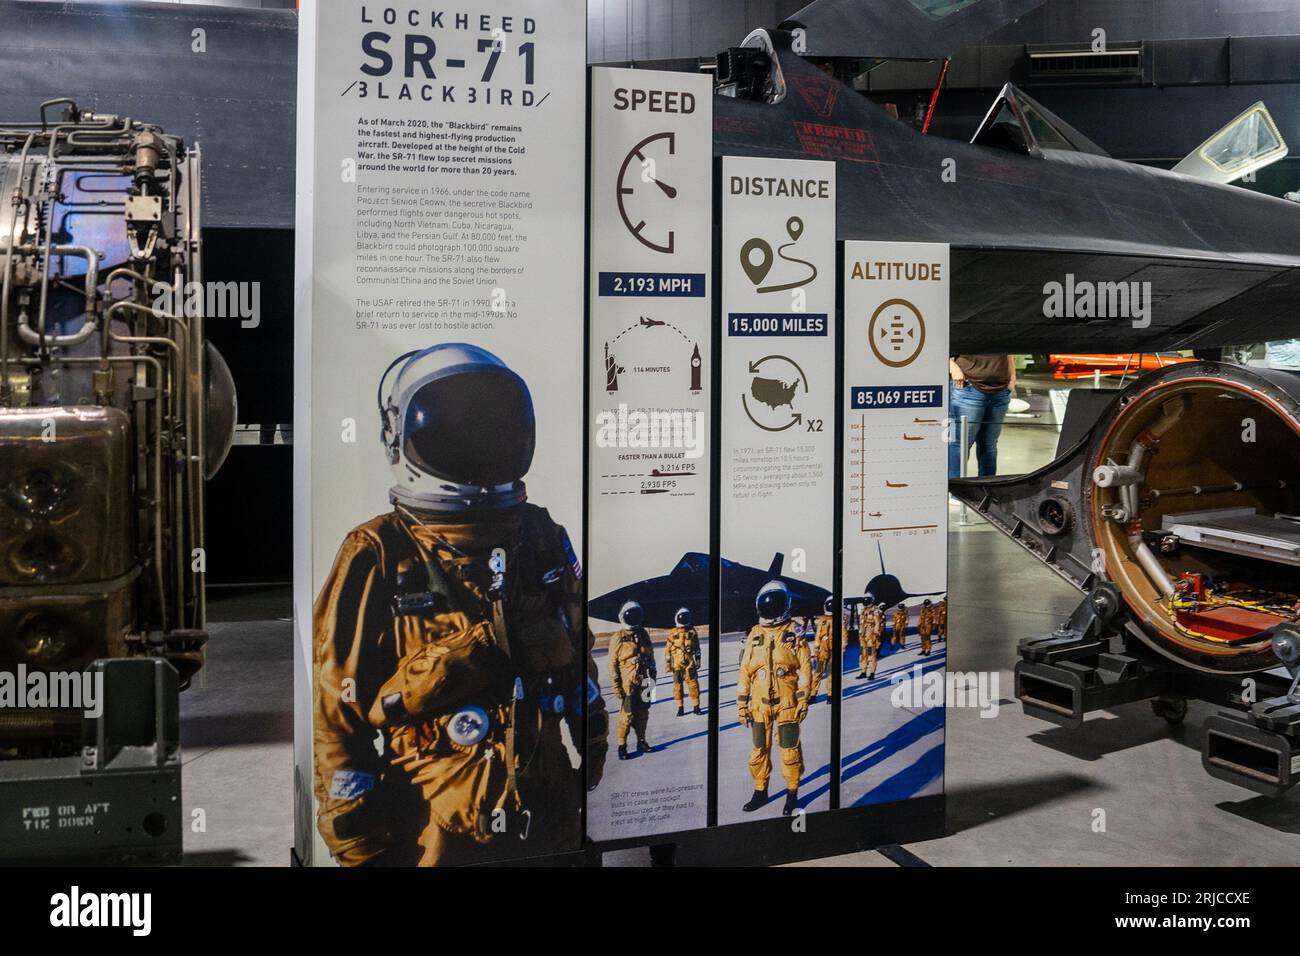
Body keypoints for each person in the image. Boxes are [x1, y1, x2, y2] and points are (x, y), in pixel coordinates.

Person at [312, 344, 607, 867]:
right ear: (397, 435)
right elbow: (339, 716)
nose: (477, 440)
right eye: (456, 427)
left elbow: (576, 641)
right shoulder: (379, 551)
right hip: (437, 830)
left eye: (492, 425)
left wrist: (594, 730)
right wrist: (358, 840)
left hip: (552, 816)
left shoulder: (539, 534)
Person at [737, 581, 810, 816]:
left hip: (787, 701)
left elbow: (806, 670)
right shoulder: (755, 634)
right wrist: (742, 704)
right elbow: (745, 671)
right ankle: (760, 791)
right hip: (759, 704)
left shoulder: (794, 632)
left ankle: (792, 793)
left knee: (790, 749)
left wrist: (803, 699)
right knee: (759, 749)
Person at [949, 354, 1016, 477]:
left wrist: (1012, 377)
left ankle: (987, 488)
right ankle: (955, 489)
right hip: (968, 388)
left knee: (989, 445)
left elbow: (1009, 353)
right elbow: (939, 349)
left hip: (1000, 391)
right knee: (961, 445)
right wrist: (954, 369)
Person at [610, 601, 657, 758]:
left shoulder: (643, 634)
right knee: (627, 716)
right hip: (628, 683)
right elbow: (613, 665)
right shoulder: (618, 637)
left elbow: (651, 657)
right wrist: (617, 687)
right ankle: (622, 746)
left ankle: (641, 741)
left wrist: (653, 678)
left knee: (643, 713)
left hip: (645, 680)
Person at [665, 607, 702, 716]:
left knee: (694, 685)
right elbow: (667, 651)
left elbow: (697, 648)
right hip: (677, 665)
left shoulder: (692, 632)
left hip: (690, 664)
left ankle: (696, 707)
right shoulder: (673, 633)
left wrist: (698, 660)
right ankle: (680, 708)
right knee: (678, 687)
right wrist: (668, 664)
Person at [809, 597, 835, 703]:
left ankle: (828, 696)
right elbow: (818, 637)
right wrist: (816, 650)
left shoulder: (827, 621)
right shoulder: (822, 621)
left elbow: (843, 636)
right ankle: (814, 695)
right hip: (823, 653)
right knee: (821, 673)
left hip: (830, 652)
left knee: (828, 674)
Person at [856, 601, 881, 680]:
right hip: (863, 636)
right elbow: (861, 623)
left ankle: (872, 673)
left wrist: (876, 634)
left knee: (871, 656)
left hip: (871, 637)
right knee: (862, 655)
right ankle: (863, 672)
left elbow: (877, 623)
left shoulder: (875, 611)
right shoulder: (863, 611)